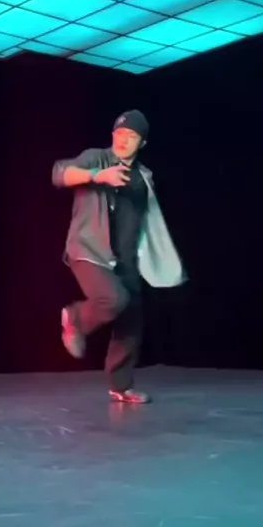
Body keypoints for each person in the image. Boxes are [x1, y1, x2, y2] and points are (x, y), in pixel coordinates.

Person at [52, 109, 186, 404]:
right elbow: (60, 173)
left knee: (131, 322)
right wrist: (97, 175)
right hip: (89, 251)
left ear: (142, 143)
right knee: (113, 299)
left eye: (131, 136)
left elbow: (148, 221)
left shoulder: (144, 177)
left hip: (126, 259)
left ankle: (121, 386)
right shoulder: (96, 158)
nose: (123, 140)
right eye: (119, 133)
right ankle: (75, 318)